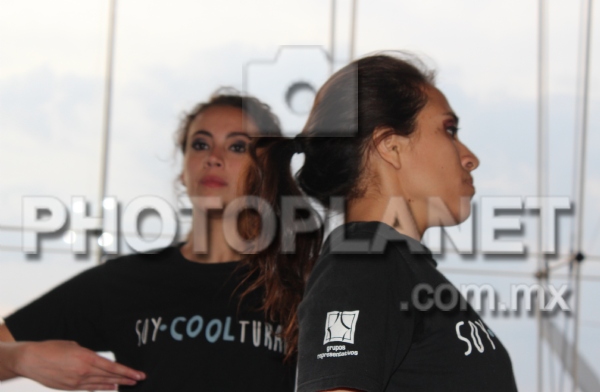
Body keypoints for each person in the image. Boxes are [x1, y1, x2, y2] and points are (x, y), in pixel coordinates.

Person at [0, 92, 321, 391]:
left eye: (237, 147)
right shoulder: (127, 281)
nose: (213, 158)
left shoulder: (299, 283)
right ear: (183, 171)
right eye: (200, 144)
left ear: (267, 169)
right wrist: (21, 358)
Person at [251, 53, 519, 391]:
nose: (470, 158)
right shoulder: (361, 263)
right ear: (390, 146)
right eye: (449, 130)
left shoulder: (396, 268)